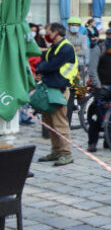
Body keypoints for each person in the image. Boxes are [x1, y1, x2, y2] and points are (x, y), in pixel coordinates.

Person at [35, 23, 78, 166]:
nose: (45, 34)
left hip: (59, 89)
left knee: (60, 123)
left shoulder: (66, 47)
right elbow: (42, 64)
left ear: (56, 33)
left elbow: (50, 66)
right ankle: (56, 151)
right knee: (49, 124)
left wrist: (42, 69)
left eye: (48, 32)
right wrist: (42, 68)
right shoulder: (53, 47)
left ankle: (66, 154)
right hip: (50, 88)